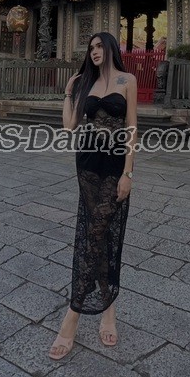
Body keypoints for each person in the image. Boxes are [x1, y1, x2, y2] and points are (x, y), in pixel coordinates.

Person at [49, 32, 138, 360]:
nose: (95, 52)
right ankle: (108, 313)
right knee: (97, 235)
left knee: (98, 233)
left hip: (114, 165)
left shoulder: (127, 81)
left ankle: (71, 317)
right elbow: (69, 126)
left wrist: (128, 173)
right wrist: (68, 93)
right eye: (91, 48)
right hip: (87, 163)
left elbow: (131, 128)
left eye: (99, 46)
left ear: (111, 48)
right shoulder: (86, 83)